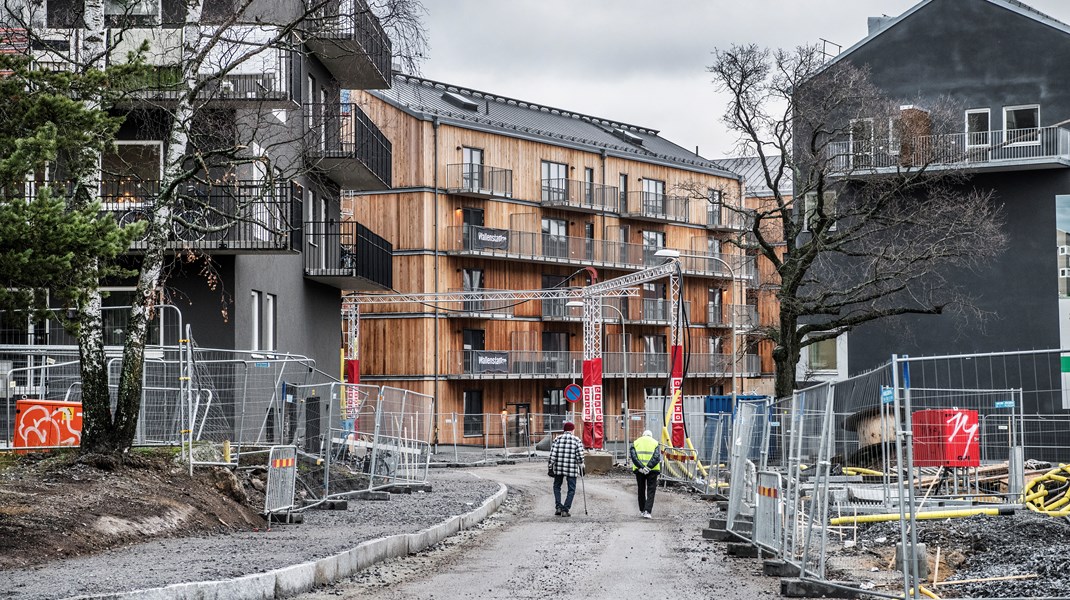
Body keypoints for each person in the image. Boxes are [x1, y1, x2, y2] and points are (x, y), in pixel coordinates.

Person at [547, 421, 585, 517]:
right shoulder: (577, 440)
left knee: (557, 486)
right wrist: (582, 466)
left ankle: (558, 507)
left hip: (559, 468)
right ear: (572, 430)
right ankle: (565, 509)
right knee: (571, 489)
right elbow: (580, 456)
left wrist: (550, 466)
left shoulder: (557, 439)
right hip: (571, 468)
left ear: (564, 430)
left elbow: (552, 455)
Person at [630, 429, 661, 519]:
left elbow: (633, 456)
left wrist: (641, 467)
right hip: (652, 470)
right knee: (651, 490)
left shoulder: (636, 443)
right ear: (650, 436)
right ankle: (647, 511)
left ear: (643, 435)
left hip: (639, 471)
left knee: (641, 489)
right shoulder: (655, 443)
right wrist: (648, 467)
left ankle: (642, 510)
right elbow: (656, 457)